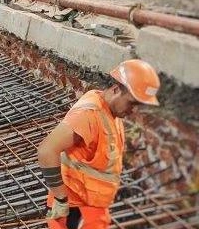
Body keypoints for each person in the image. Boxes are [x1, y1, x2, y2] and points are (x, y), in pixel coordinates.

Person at [37, 60, 161, 229]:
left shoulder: (110, 111)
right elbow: (46, 151)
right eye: (132, 103)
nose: (133, 111)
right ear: (116, 89)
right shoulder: (89, 114)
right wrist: (60, 199)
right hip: (74, 209)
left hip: (90, 205)